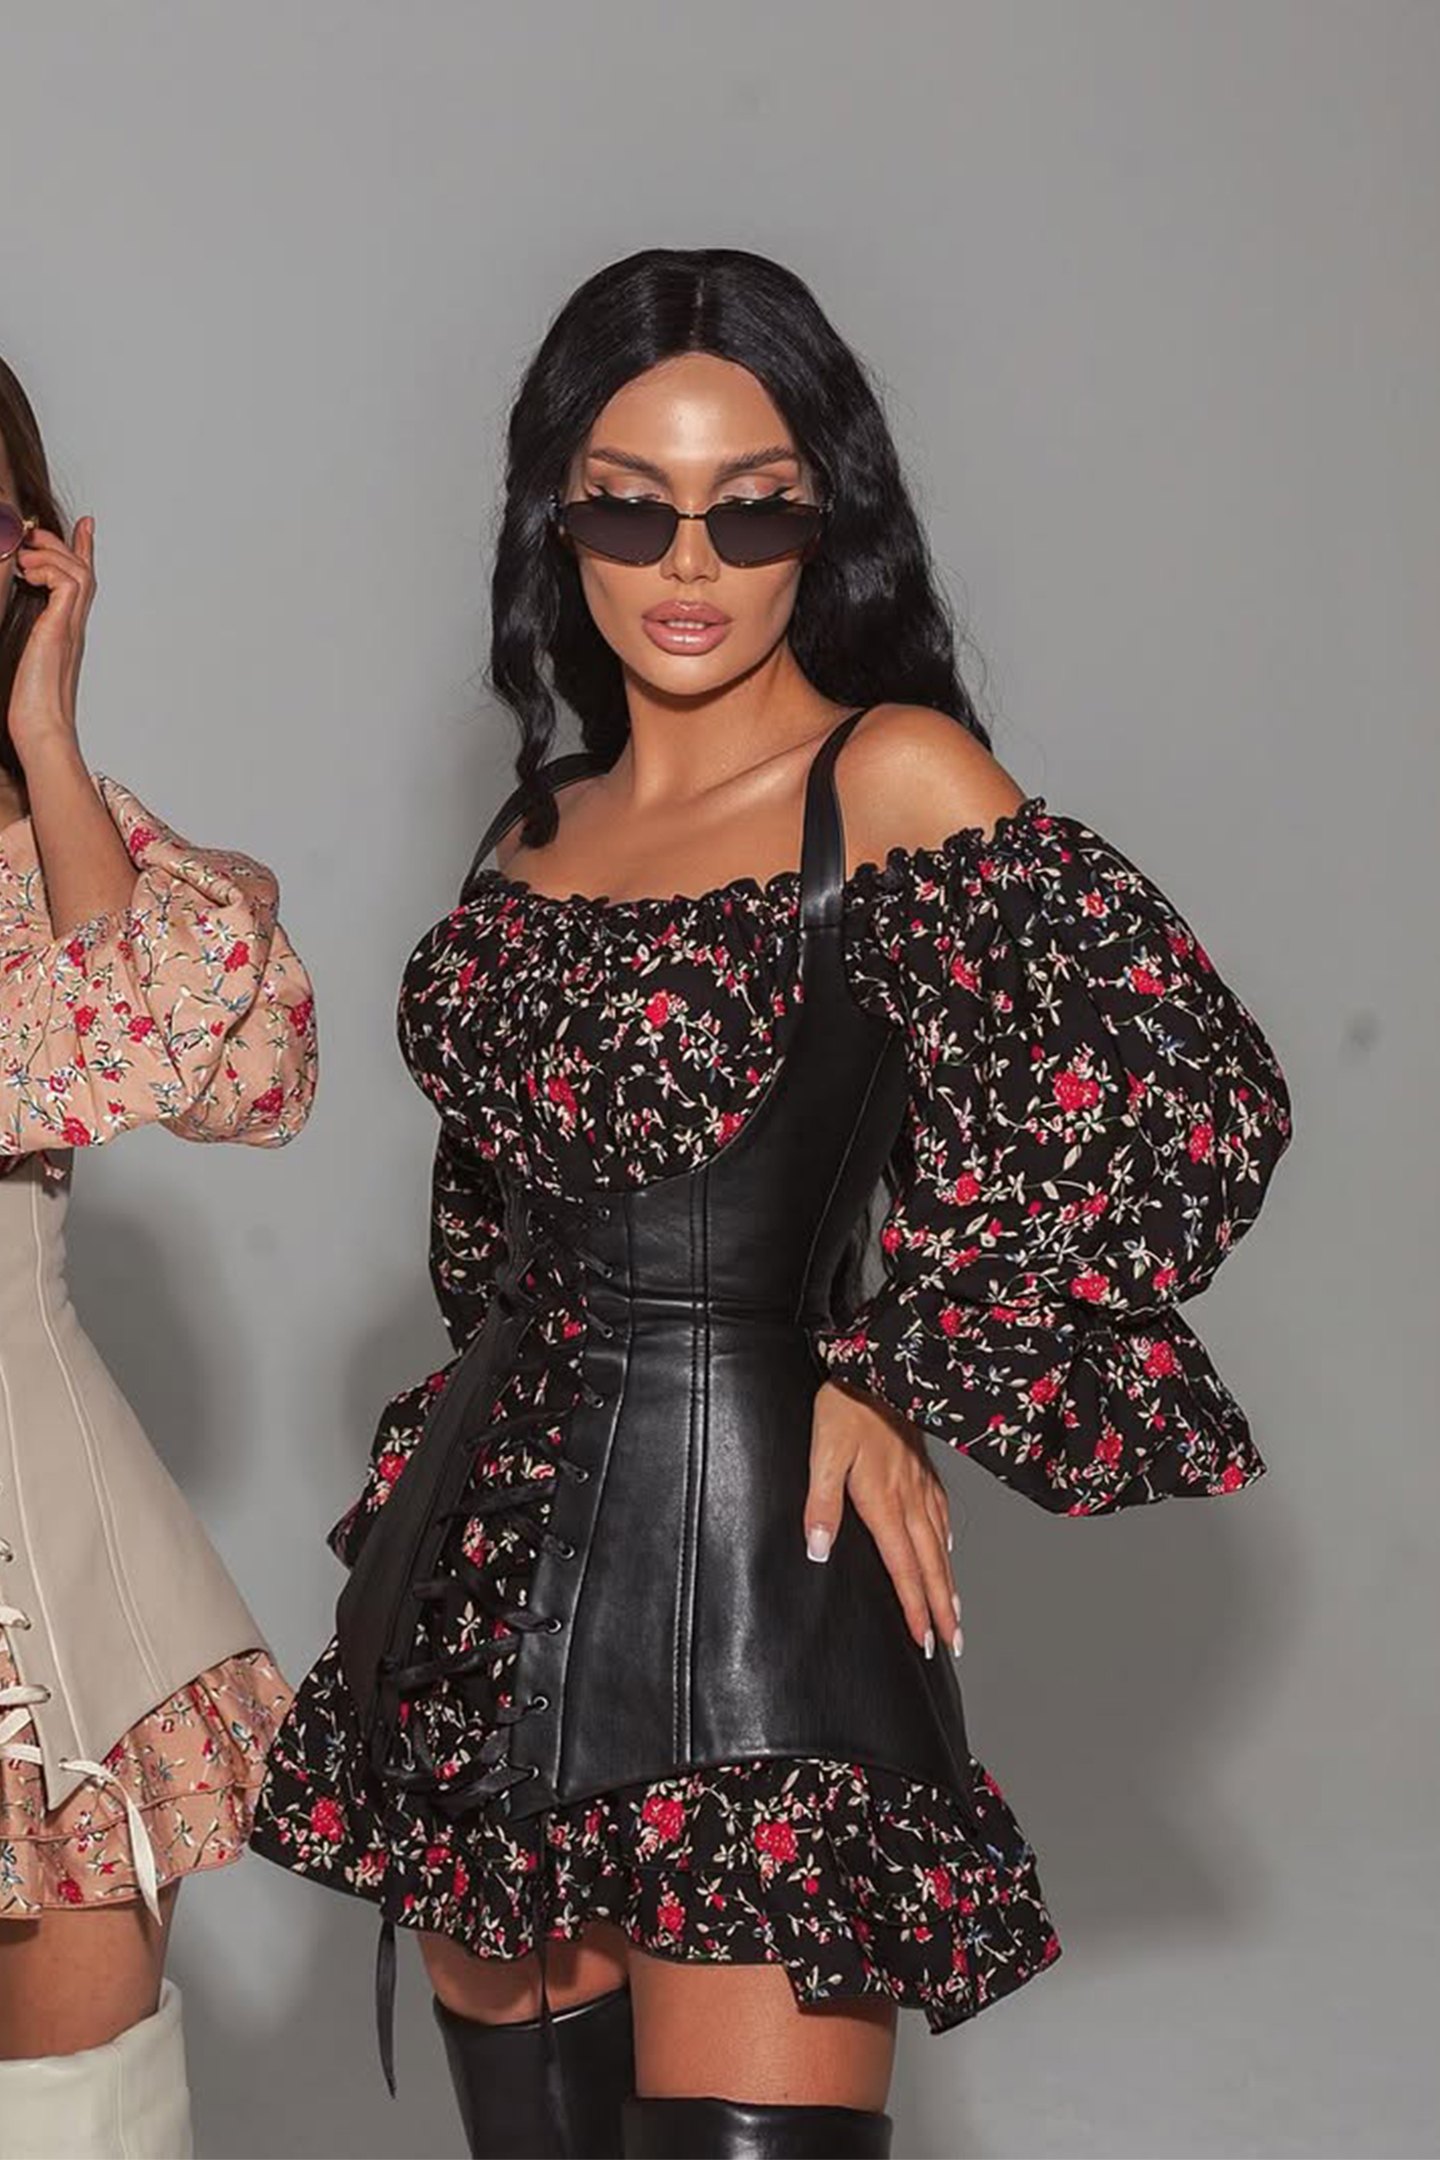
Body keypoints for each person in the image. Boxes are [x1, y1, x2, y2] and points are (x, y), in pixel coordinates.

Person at [250, 246, 1292, 2160]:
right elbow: (487, 1255)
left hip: (757, 1601)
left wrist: (901, 1360)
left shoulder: (888, 779)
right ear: (556, 521)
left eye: (751, 510)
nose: (690, 562)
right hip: (476, 1604)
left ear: (829, 522)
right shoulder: (531, 831)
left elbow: (1180, 1093)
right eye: (629, 507)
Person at [0, 355, 318, 2158]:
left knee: (82, 2128)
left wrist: (47, 741)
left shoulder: (42, 857)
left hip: (49, 1604)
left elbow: (220, 1073)